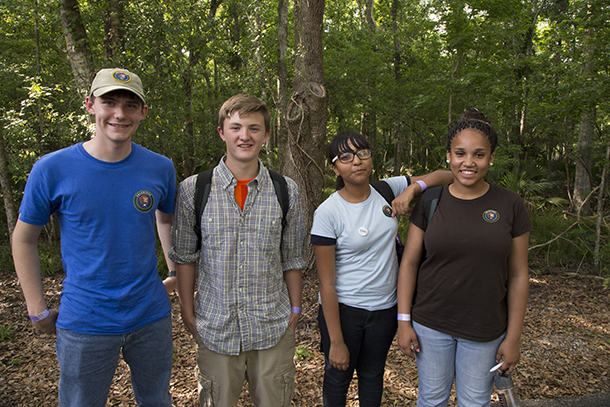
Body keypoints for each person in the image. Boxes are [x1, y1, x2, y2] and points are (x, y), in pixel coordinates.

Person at [12, 68, 178, 406]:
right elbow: (23, 238)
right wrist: (37, 309)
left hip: (150, 316)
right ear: (90, 105)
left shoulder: (160, 168)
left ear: (143, 112)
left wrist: (173, 272)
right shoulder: (52, 168)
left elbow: (165, 219)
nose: (120, 113)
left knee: (157, 400)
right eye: (110, 102)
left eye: (131, 105)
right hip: (85, 320)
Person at [169, 93, 306, 407]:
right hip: (216, 326)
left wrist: (295, 310)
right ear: (222, 132)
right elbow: (185, 258)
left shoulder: (286, 190)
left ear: (266, 135)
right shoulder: (194, 189)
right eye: (236, 127)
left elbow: (293, 258)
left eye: (254, 128)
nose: (245, 136)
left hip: (272, 324)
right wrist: (188, 311)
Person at [397, 109, 532, 407]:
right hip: (430, 324)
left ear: (491, 158)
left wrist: (513, 337)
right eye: (460, 153)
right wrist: (403, 321)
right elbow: (409, 263)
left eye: (479, 155)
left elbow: (519, 274)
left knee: (475, 401)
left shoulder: (510, 204)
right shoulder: (432, 201)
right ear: (448, 156)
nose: (468, 162)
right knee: (432, 399)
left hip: (485, 329)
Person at [310, 131, 454, 407]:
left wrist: (414, 188)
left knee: (373, 376)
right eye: (346, 157)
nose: (357, 162)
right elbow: (326, 283)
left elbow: (446, 175)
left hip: (385, 310)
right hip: (345, 311)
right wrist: (337, 341)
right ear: (334, 167)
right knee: (338, 378)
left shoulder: (385, 190)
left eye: (363, 153)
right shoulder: (329, 212)